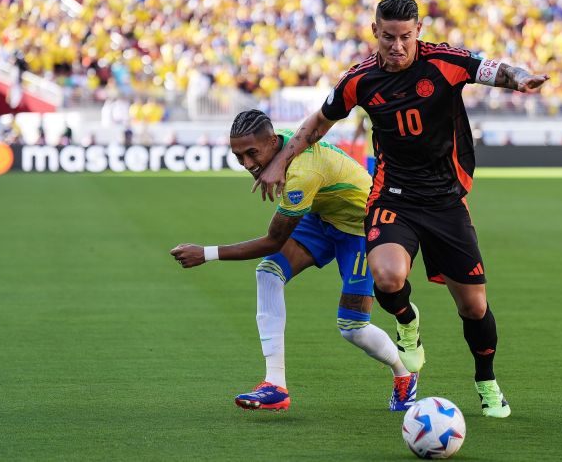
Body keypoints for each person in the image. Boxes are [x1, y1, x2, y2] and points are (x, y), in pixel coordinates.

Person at [252, 0, 549, 418]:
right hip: (394, 195)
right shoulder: (359, 79)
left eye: (405, 37)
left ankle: (486, 380)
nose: (397, 46)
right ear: (375, 31)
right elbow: (319, 121)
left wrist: (520, 78)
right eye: (388, 37)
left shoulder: (444, 61)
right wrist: (280, 160)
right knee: (387, 276)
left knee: (474, 307)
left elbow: (492, 69)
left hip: (447, 201)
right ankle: (407, 323)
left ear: (418, 33)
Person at [170, 110, 417, 411]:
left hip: (362, 226)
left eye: (252, 153)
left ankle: (404, 375)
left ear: (272, 142)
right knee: (269, 273)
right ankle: (275, 384)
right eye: (239, 156)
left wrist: (205, 253)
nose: (247, 164)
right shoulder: (285, 140)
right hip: (324, 217)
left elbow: (273, 240)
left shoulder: (303, 174)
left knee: (353, 327)